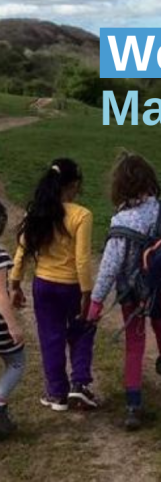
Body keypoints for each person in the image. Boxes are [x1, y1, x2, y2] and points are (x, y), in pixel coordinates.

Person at [87, 152, 161, 431]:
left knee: (134, 345)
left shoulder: (122, 221)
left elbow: (110, 266)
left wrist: (97, 301)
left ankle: (133, 404)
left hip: (132, 294)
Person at [10, 158, 98, 411]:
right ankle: (79, 384)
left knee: (51, 337)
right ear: (74, 185)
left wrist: (15, 284)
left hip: (43, 285)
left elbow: (22, 250)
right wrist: (86, 291)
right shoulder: (82, 215)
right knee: (82, 330)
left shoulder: (37, 211)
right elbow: (82, 259)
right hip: (71, 286)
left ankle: (56, 393)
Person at [0, 201, 26, 437]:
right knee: (17, 361)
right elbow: (0, 294)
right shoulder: (0, 255)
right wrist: (13, 325)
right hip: (0, 327)